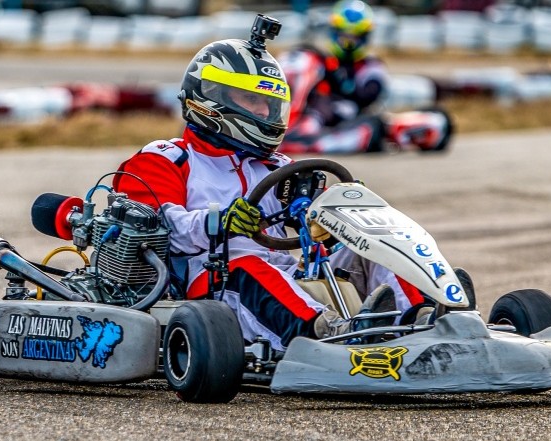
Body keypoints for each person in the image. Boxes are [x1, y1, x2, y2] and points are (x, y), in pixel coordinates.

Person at [112, 24, 426, 352]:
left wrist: (340, 215)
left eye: (267, 102)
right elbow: (159, 227)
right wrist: (217, 222)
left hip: (283, 276)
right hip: (211, 287)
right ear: (210, 96)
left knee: (372, 240)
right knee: (248, 264)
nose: (264, 112)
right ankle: (333, 337)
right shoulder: (167, 159)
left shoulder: (275, 166)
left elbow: (311, 223)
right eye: (251, 99)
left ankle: (424, 318)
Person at [278, 0, 389, 154]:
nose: (348, 43)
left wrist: (338, 78)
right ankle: (282, 122)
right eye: (344, 36)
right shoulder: (322, 60)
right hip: (311, 109)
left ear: (364, 37)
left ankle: (304, 135)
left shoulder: (371, 67)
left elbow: (367, 97)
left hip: (346, 114)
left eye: (354, 38)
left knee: (330, 106)